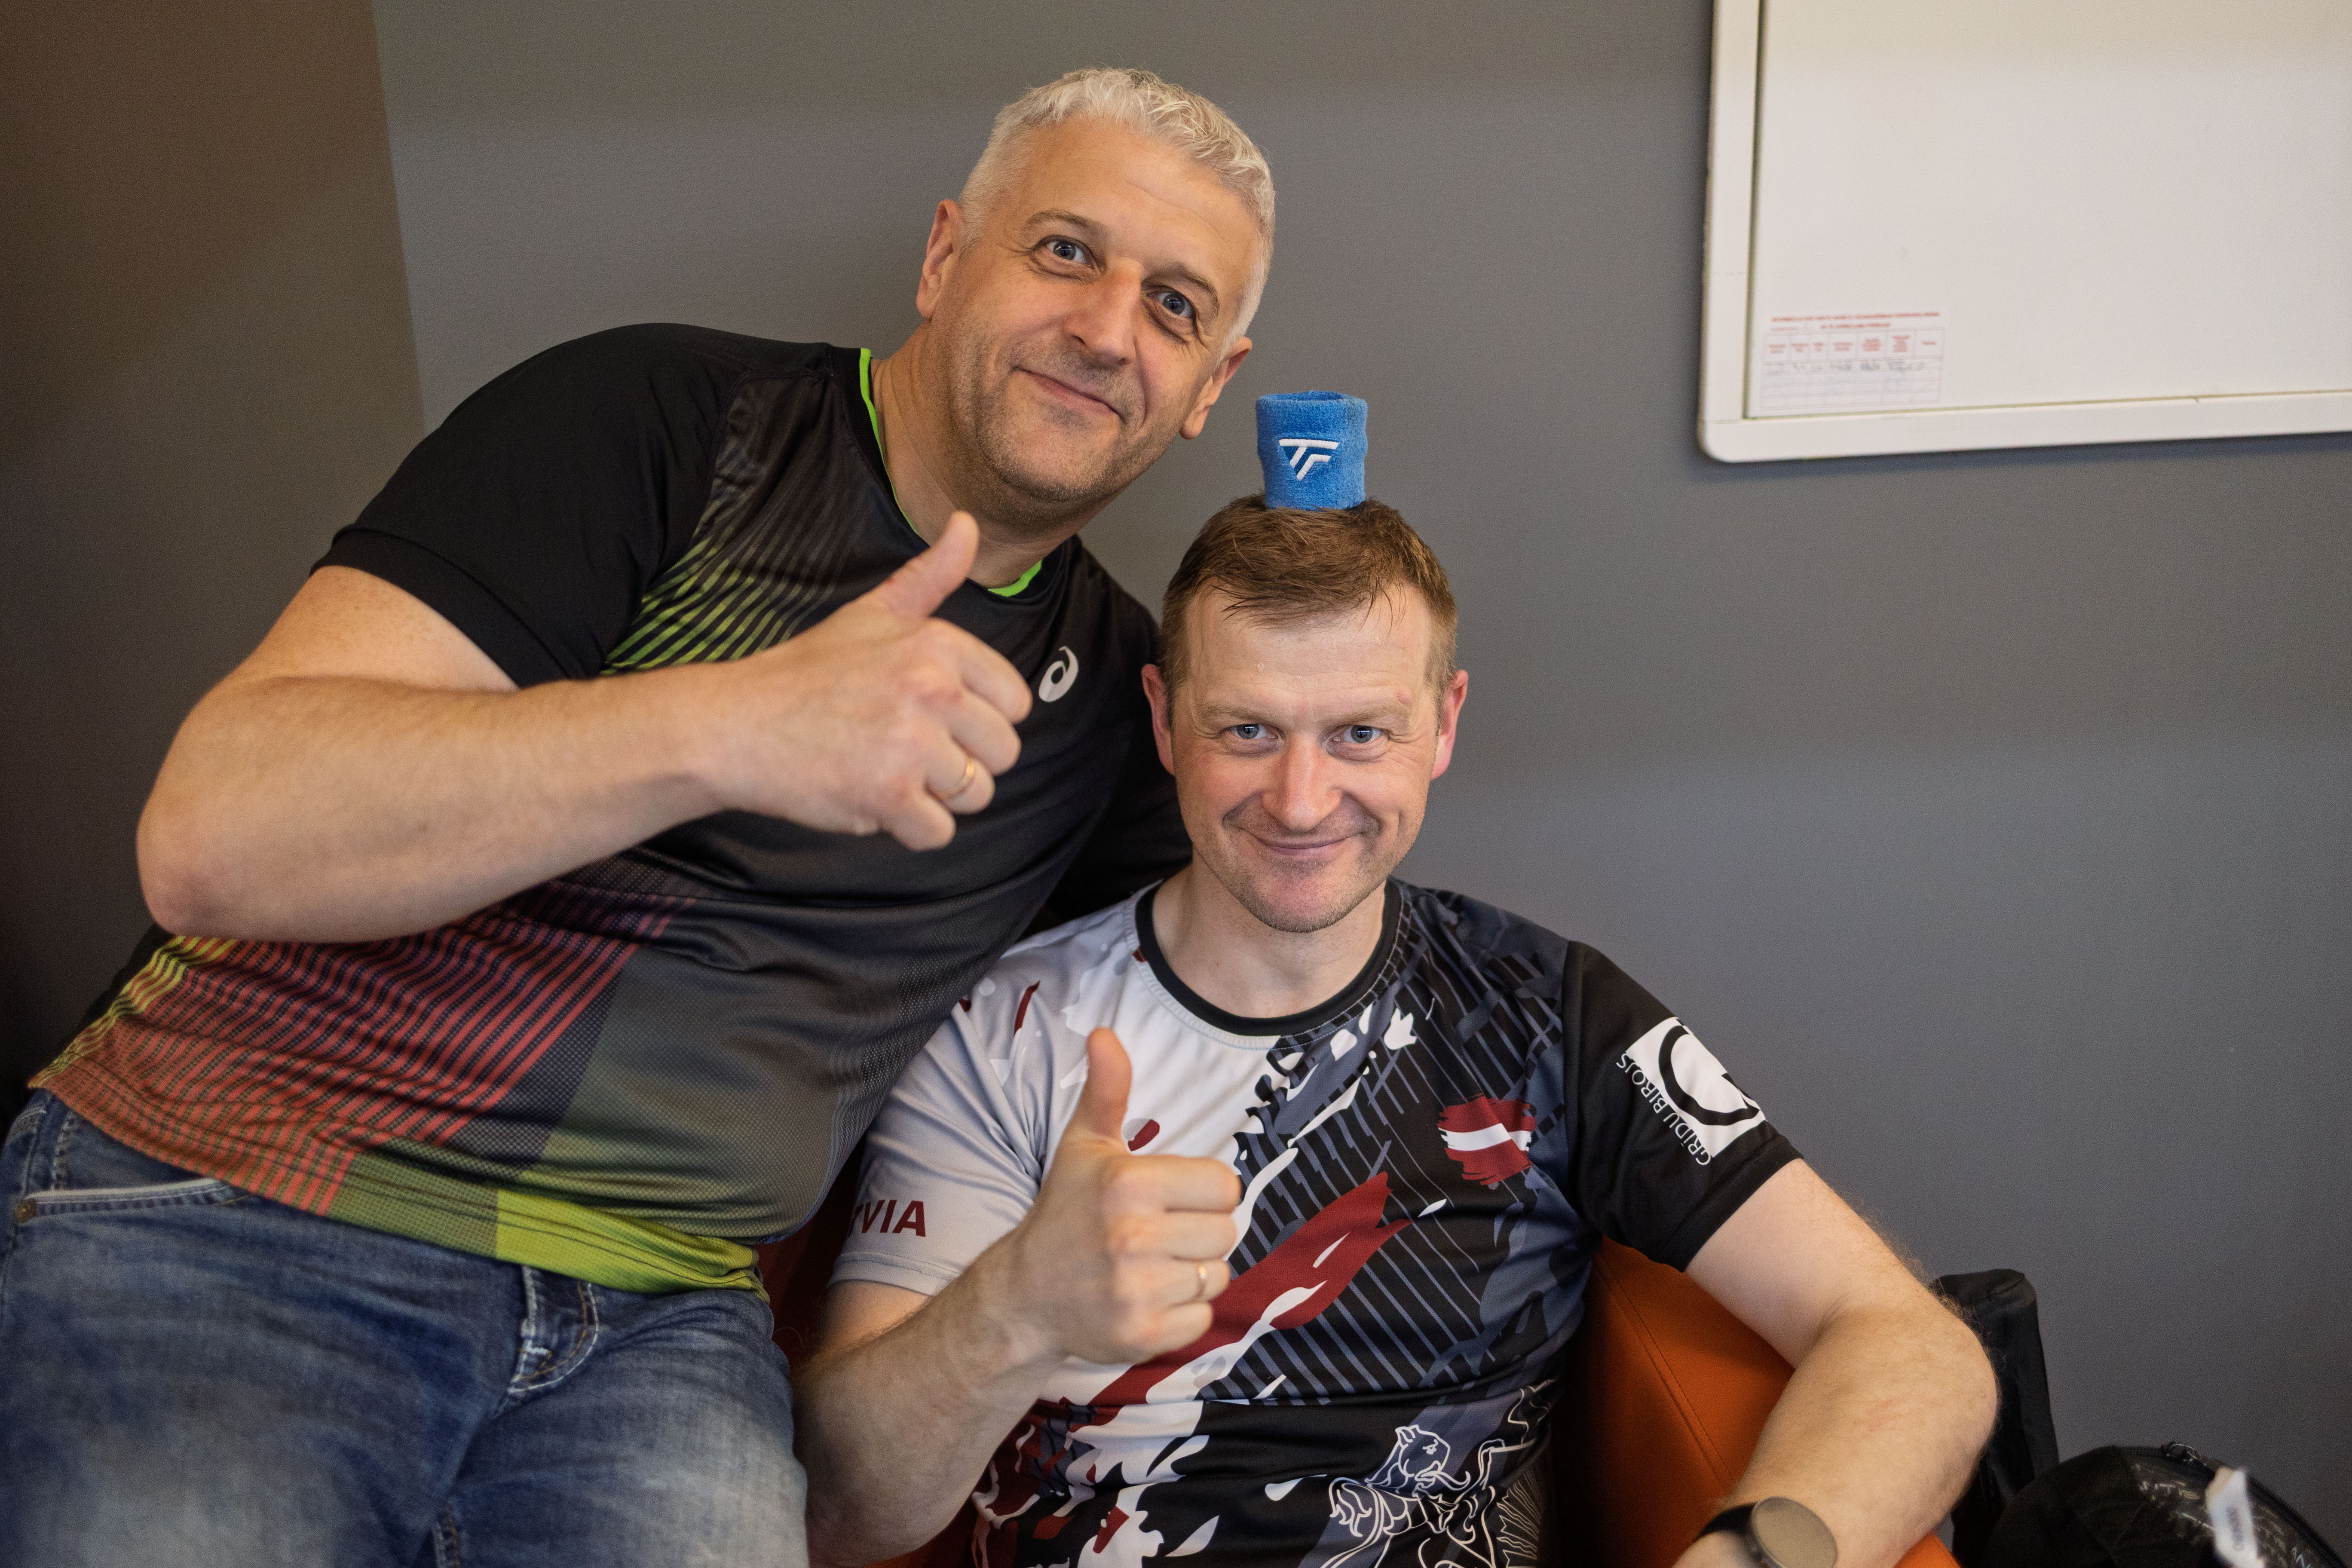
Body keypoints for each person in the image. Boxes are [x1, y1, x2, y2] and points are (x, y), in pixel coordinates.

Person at [0, 67, 1270, 1568]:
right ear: (945, 257)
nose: (1110, 327)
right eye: (1064, 250)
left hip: (660, 1330)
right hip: (247, 1193)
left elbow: (1294, 909)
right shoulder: (667, 422)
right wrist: (729, 723)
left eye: (1174, 306)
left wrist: (1333, 636)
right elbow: (216, 832)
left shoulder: (1115, 703)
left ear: (1211, 386)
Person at [796, 393, 1997, 1568]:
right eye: (1247, 731)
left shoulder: (1552, 1015)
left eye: (1360, 734)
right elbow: (844, 1513)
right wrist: (1016, 1306)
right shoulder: (1004, 1031)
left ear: (1443, 723)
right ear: (1164, 720)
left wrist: (1754, 1557)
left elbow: (1914, 1345)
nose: (1302, 801)